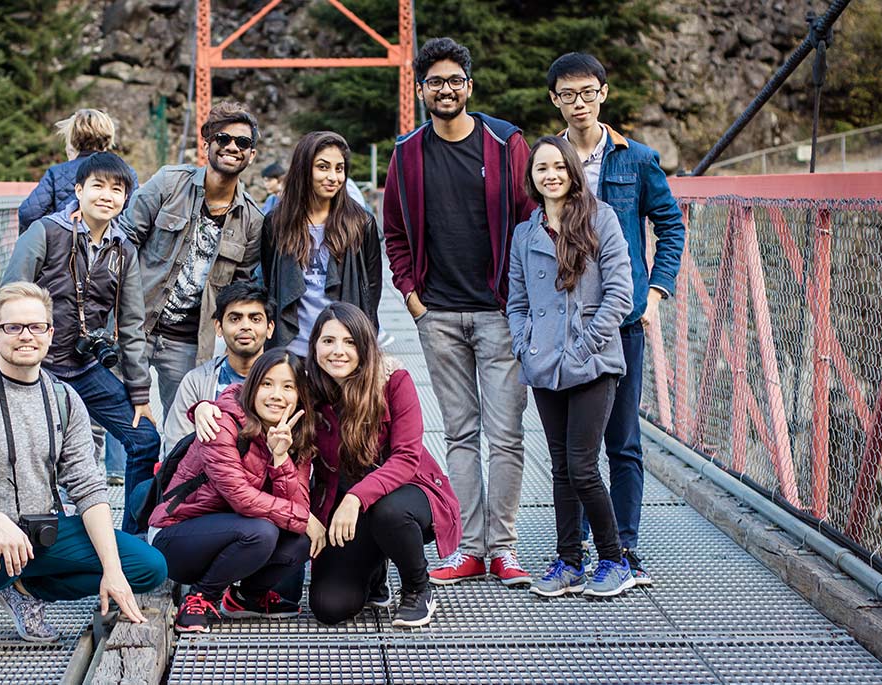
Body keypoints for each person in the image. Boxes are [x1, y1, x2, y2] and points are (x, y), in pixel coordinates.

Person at [0, 282, 166, 655]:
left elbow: (88, 487)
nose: (26, 336)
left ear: (51, 333)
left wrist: (112, 569)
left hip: (39, 529)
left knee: (148, 567)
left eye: (37, 327)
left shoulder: (64, 398)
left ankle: (23, 590)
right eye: (13, 327)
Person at [381, 37, 537, 586]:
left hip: (498, 313)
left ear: (469, 86)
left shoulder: (506, 143)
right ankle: (469, 548)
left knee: (508, 434)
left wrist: (520, 300)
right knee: (461, 435)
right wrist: (412, 297)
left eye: (455, 81)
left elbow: (530, 221)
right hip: (438, 315)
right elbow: (394, 232)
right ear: (421, 90)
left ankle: (505, 548)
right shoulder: (406, 153)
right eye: (434, 82)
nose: (445, 90)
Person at [547, 53, 686, 584]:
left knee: (622, 439)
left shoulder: (638, 159)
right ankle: (578, 548)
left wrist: (655, 294)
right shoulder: (548, 159)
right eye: (567, 95)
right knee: (570, 447)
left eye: (587, 92)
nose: (578, 103)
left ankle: (624, 549)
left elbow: (671, 228)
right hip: (565, 323)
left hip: (623, 319)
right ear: (555, 100)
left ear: (604, 93)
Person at [4, 152, 160, 535]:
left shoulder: (123, 250)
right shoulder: (45, 231)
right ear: (79, 190)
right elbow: (10, 298)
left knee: (144, 439)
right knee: (34, 459)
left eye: (117, 189)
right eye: (98, 186)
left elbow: (133, 323)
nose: (107, 195)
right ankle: (30, 546)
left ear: (126, 198)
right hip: (38, 371)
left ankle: (131, 539)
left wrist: (140, 393)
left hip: (87, 367)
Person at [508, 136, 634, 597]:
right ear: (532, 178)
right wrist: (526, 344)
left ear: (573, 172)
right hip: (544, 365)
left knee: (582, 467)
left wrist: (584, 347)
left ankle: (615, 559)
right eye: (542, 168)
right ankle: (568, 561)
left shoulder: (601, 219)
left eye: (559, 166)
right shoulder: (526, 234)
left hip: (592, 362)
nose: (551, 175)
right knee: (561, 467)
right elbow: (517, 301)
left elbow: (620, 293)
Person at [303, 303, 461, 627]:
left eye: (349, 342)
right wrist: (207, 406)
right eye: (328, 341)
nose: (338, 351)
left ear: (365, 347)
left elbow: (406, 457)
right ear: (314, 345)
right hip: (345, 510)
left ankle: (419, 587)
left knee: (388, 512)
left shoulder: (393, 380)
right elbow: (254, 394)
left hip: (408, 494)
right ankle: (375, 571)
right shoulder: (308, 388)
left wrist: (355, 498)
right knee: (329, 607)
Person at [149, 349, 323, 633]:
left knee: (300, 540)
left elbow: (299, 502)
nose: (277, 395)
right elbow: (242, 498)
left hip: (237, 535)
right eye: (267, 383)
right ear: (252, 386)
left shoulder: (297, 435)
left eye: (288, 386)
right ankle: (200, 597)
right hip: (177, 536)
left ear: (300, 395)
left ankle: (246, 598)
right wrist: (305, 518)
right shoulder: (221, 423)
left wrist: (280, 459)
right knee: (263, 532)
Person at [115, 101, 264, 417]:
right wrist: (111, 309)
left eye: (243, 142)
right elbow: (123, 241)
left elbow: (238, 293)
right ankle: (118, 471)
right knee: (124, 422)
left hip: (188, 343)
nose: (232, 147)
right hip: (134, 325)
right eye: (223, 139)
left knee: (181, 429)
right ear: (207, 144)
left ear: (252, 155)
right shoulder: (170, 183)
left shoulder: (252, 220)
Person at [261, 131, 382, 357]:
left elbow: (371, 291)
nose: (333, 177)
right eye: (323, 167)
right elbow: (271, 285)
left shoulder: (361, 224)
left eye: (339, 168)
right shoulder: (276, 223)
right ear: (304, 169)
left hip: (342, 352)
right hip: (292, 349)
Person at [162, 281, 276, 452]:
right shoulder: (196, 382)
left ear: (269, 328)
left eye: (255, 319)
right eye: (235, 319)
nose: (245, 326)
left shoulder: (286, 382)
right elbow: (175, 450)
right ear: (219, 327)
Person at [17, 109, 138, 232]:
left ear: (73, 137)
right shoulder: (126, 173)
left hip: (66, 246)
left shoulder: (57, 173)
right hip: (110, 246)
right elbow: (135, 219)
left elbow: (28, 214)